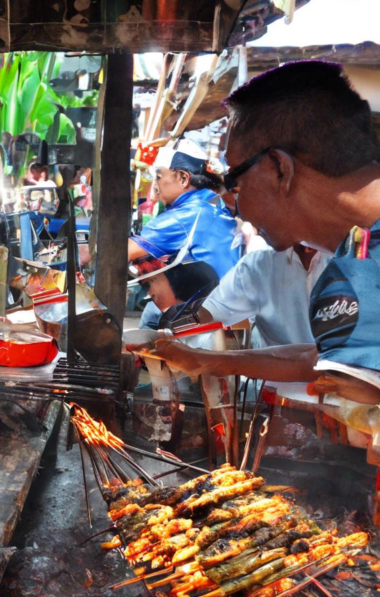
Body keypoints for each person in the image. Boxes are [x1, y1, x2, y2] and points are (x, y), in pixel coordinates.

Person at [152, 61, 380, 405]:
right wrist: (207, 360)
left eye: (235, 181)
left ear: (279, 169)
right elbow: (322, 360)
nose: (236, 207)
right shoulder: (355, 260)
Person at [129, 139, 241, 279]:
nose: (155, 186)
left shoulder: (187, 215)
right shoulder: (211, 203)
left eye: (158, 177)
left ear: (183, 178)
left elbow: (123, 252)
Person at [192, 244, 329, 349]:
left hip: (341, 379)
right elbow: (210, 312)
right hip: (279, 380)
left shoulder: (345, 256)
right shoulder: (259, 263)